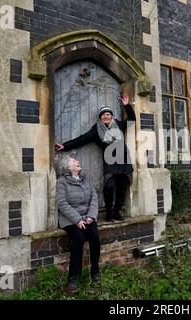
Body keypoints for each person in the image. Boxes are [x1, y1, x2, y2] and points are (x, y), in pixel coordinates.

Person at [55, 93, 136, 222]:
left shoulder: (119, 125)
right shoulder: (96, 130)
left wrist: (127, 106)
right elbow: (82, 139)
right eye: (103, 115)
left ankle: (117, 212)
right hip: (110, 162)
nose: (106, 116)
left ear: (111, 116)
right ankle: (109, 211)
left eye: (108, 114)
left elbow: (132, 120)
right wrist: (64, 146)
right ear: (100, 117)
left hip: (125, 161)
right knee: (109, 187)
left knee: (122, 188)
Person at [56, 155, 101, 294]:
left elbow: (94, 197)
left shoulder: (85, 178)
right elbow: (62, 203)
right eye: (74, 161)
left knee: (94, 236)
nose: (78, 162)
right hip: (70, 218)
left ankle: (95, 270)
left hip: (87, 217)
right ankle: (73, 278)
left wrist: (91, 216)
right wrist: (77, 219)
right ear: (67, 167)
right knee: (78, 238)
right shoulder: (62, 182)